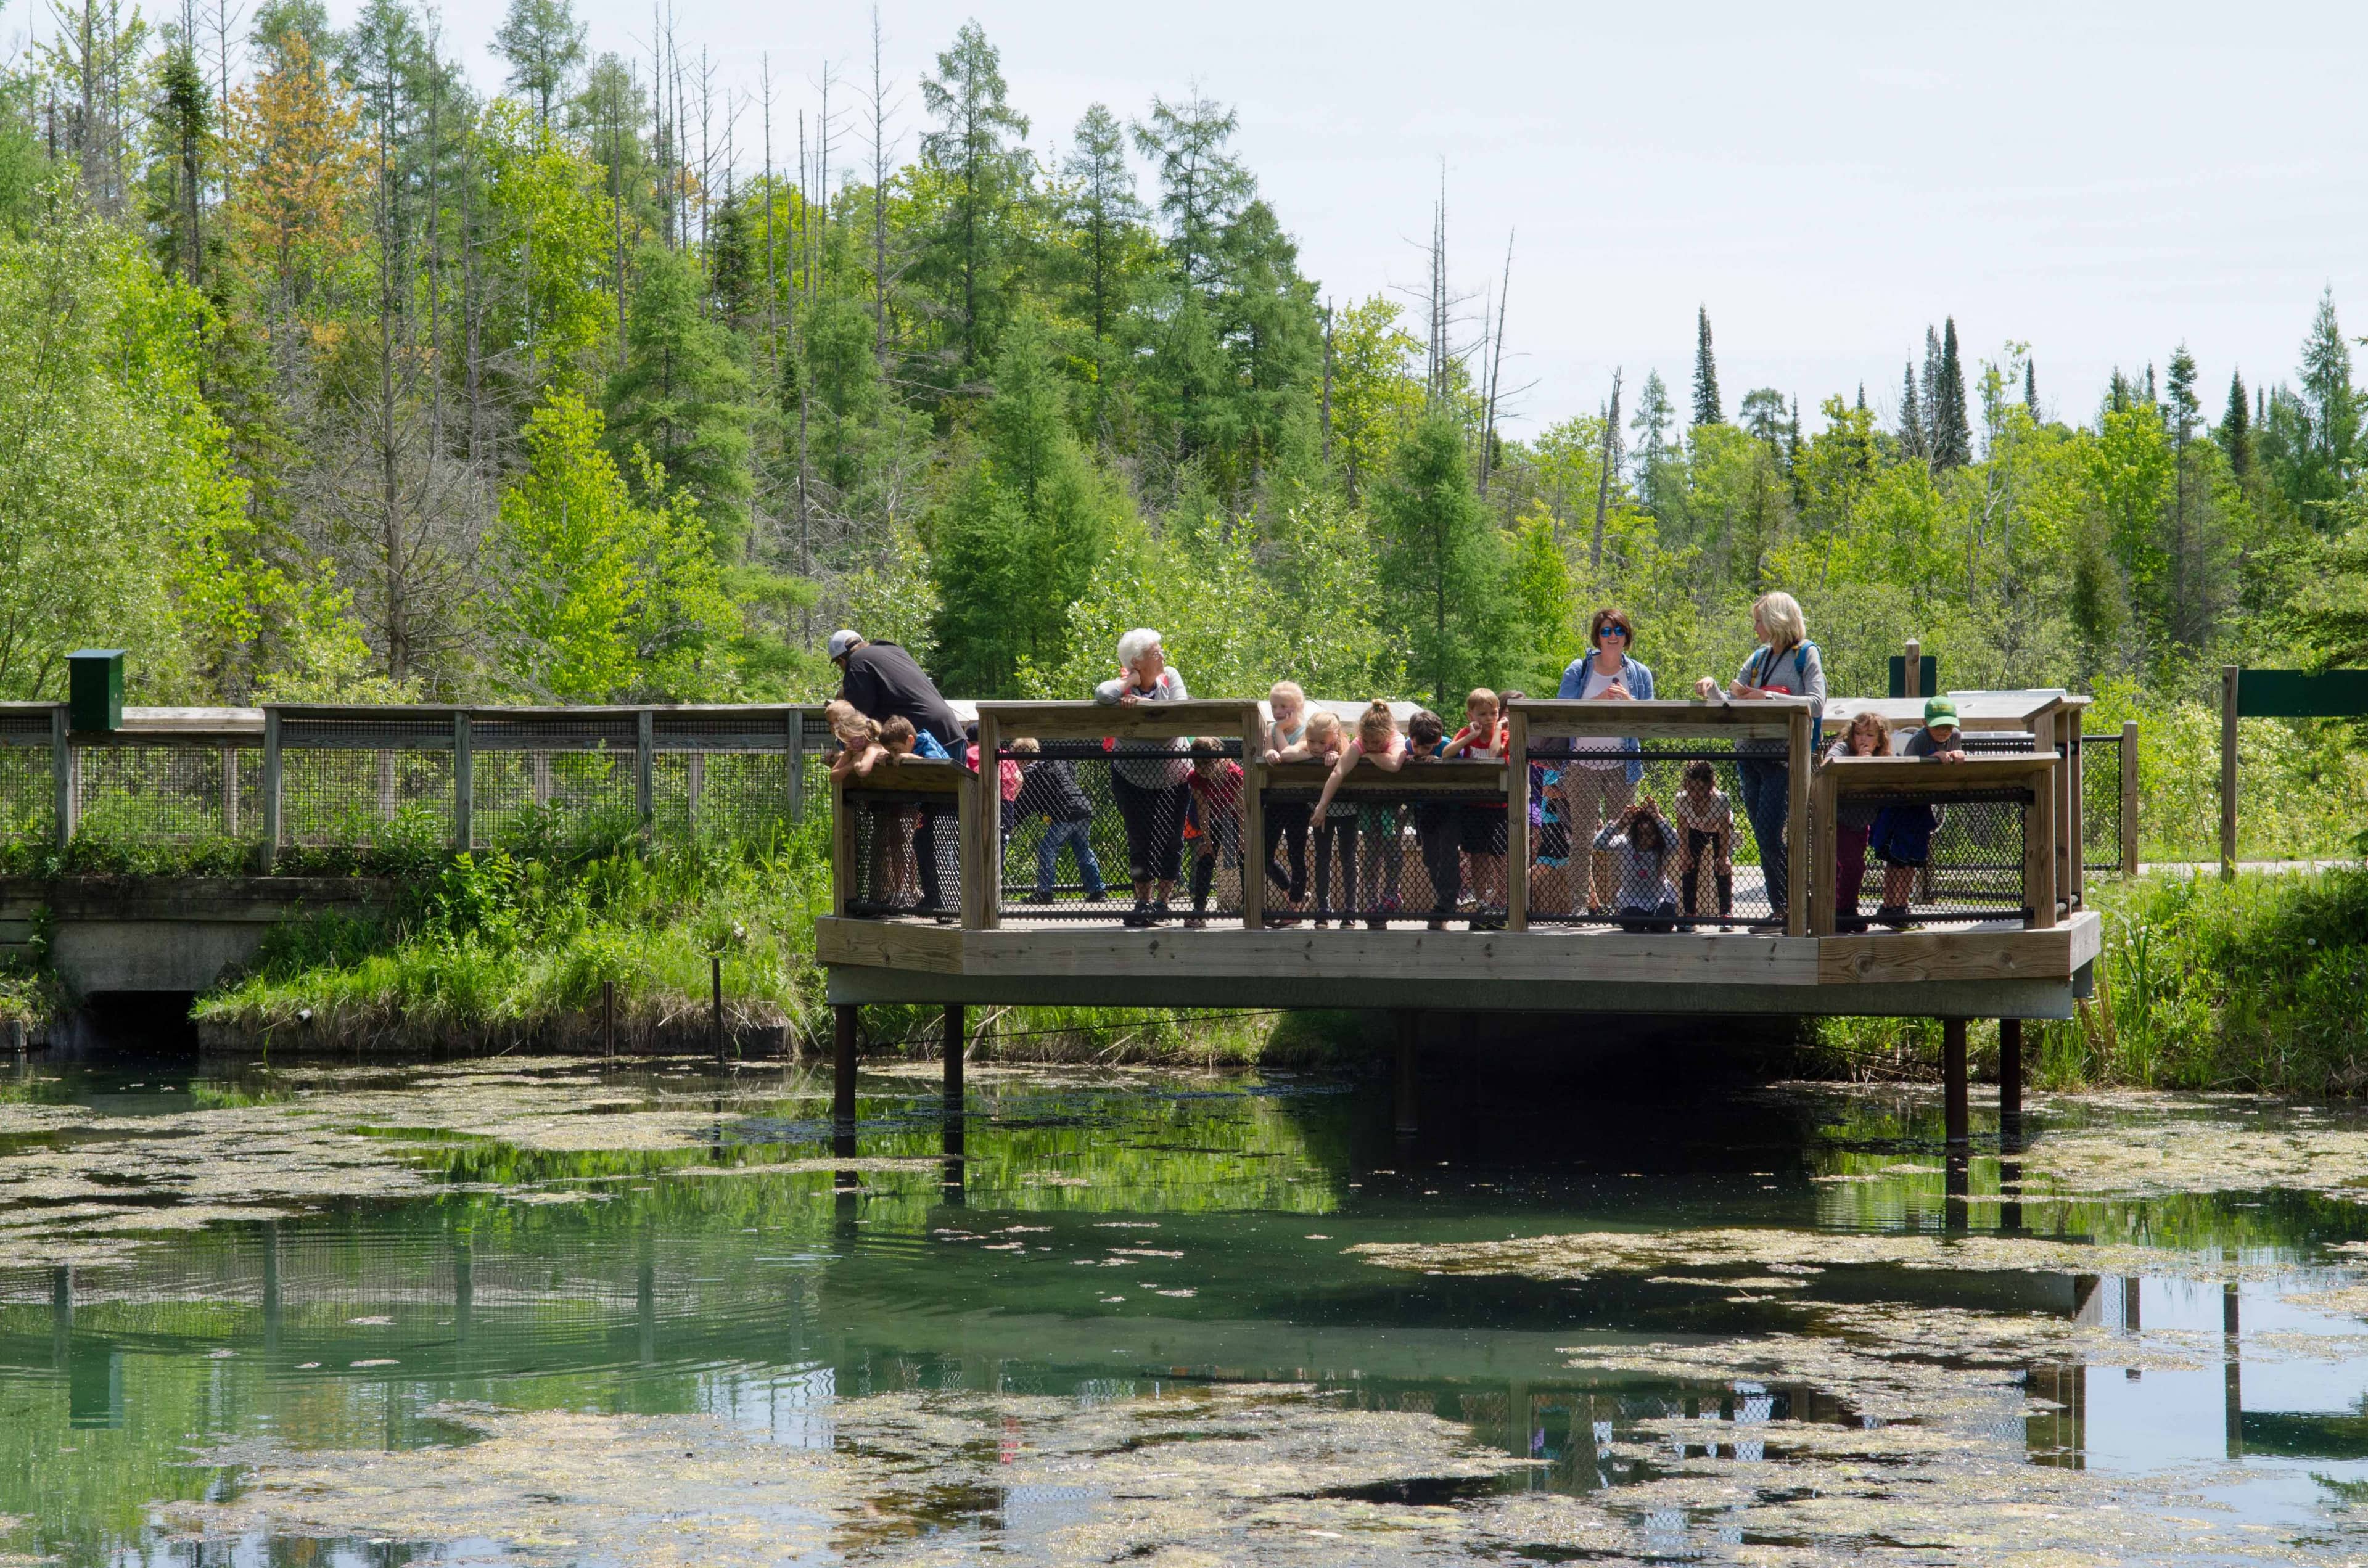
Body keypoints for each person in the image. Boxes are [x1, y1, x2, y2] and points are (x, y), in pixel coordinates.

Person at [1694, 591, 1824, 921]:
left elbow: (1816, 702)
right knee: (1764, 837)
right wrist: (1711, 689)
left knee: (1769, 834)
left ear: (1776, 620)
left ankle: (1792, 906)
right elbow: (1731, 704)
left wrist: (1767, 698)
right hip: (1748, 759)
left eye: (1758, 621)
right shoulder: (1757, 659)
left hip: (1782, 760)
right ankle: (1783, 908)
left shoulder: (1806, 654)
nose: (1755, 628)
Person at [831, 629, 963, 915]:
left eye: (840, 666)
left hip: (929, 743)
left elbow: (858, 719)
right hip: (952, 735)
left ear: (842, 660)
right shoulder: (891, 650)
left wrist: (846, 750)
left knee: (937, 831)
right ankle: (941, 901)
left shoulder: (858, 664)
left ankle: (947, 904)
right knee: (939, 828)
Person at [1556, 607, 1655, 914]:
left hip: (1624, 765)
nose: (1613, 637)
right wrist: (1598, 701)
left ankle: (1621, 904)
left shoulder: (1640, 673)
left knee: (1622, 839)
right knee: (1582, 839)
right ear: (1597, 637)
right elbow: (1561, 710)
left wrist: (1630, 703)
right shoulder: (1579, 669)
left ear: (1627, 636)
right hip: (1582, 764)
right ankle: (1579, 906)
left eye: (1619, 631)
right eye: (1606, 631)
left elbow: (1652, 720)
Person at [1093, 628, 1191, 927]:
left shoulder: (1170, 675)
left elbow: (1180, 709)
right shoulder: (1122, 686)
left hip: (1175, 776)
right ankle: (1143, 904)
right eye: (1154, 653)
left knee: (1172, 840)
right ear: (1136, 662)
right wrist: (1129, 683)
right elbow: (1102, 695)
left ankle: (1163, 905)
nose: (1162, 655)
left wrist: (1142, 707)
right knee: (1140, 840)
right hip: (1130, 777)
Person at [1869, 697, 1968, 926]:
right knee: (1896, 859)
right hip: (1902, 806)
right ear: (1925, 723)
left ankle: (1902, 906)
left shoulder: (1955, 737)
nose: (1944, 732)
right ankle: (1890, 907)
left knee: (1913, 860)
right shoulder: (1919, 739)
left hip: (1922, 806)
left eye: (1948, 726)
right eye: (1938, 726)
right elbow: (1907, 769)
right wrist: (1931, 759)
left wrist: (1958, 756)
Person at [1312, 701, 1410, 929]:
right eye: (1367, 742)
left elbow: (1394, 764)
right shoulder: (1360, 742)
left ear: (1387, 734)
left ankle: (1391, 893)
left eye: (1377, 742)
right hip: (1369, 806)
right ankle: (1372, 904)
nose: (1372, 746)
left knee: (1393, 851)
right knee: (1372, 853)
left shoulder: (1396, 738)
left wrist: (1369, 758)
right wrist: (1322, 805)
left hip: (1393, 807)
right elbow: (1339, 771)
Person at [1011, 736, 1106, 905]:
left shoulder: (1032, 773)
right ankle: (1097, 890)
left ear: (1021, 758)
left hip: (1065, 814)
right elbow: (1071, 772)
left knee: (1047, 849)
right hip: (1083, 808)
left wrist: (1011, 824)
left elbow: (1027, 804)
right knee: (1083, 850)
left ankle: (1045, 892)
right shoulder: (1056, 762)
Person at [1445, 689, 1509, 928]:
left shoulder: (1504, 734)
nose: (1489, 718)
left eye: (1494, 713)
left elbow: (1494, 753)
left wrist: (1498, 729)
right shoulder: (1467, 733)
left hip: (1498, 806)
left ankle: (1503, 905)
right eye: (1482, 714)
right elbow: (1447, 753)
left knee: (1501, 856)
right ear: (1470, 715)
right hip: (1473, 805)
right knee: (1478, 856)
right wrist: (1469, 737)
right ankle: (1483, 905)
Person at [1824, 710, 1892, 930]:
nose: (1863, 739)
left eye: (1870, 735)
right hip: (1838, 818)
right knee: (1853, 865)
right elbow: (1827, 763)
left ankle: (1843, 911)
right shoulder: (1843, 748)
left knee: (1849, 866)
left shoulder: (1883, 757)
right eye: (1859, 734)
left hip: (1863, 821)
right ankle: (1845, 912)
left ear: (1880, 740)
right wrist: (1857, 763)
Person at [1403, 710, 1460, 929]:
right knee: (1430, 858)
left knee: (1448, 855)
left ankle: (1446, 904)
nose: (1419, 751)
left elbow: (1462, 767)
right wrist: (1406, 760)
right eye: (1417, 746)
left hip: (1448, 808)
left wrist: (1440, 761)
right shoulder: (1407, 746)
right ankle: (1445, 899)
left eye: (1426, 748)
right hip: (1424, 808)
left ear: (1436, 742)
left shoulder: (1447, 745)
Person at [1260, 681, 1313, 922]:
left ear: (1298, 706)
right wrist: (1268, 751)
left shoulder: (1307, 731)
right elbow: (1270, 751)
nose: (1278, 711)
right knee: (1264, 856)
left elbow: (1288, 755)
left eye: (1284, 706)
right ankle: (1293, 892)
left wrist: (1280, 732)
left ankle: (1295, 908)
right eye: (1274, 706)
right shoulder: (1270, 728)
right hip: (1275, 799)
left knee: (1296, 855)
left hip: (1299, 801)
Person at [1300, 711, 1357, 925]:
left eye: (1322, 742)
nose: (1315, 747)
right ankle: (1323, 907)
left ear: (1334, 736)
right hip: (1321, 813)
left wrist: (1337, 755)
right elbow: (1290, 754)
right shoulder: (1308, 749)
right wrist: (1309, 755)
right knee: (1323, 857)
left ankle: (1351, 908)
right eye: (1311, 741)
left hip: (1347, 810)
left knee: (1348, 858)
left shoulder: (1347, 747)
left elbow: (1349, 758)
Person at [1183, 739, 1246, 929]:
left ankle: (1249, 906)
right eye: (1198, 764)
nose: (1203, 769)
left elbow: (1242, 809)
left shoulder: (1235, 774)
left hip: (1236, 818)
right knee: (1205, 859)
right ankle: (1199, 912)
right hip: (1214, 819)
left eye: (1207, 763)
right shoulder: (1196, 778)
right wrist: (1207, 840)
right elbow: (1203, 809)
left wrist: (1242, 838)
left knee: (1244, 858)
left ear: (1220, 760)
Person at [1593, 797, 1680, 931]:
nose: (1645, 839)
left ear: (1657, 834)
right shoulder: (1626, 843)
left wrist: (1658, 817)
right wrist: (1620, 823)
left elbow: (1676, 843)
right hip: (1632, 899)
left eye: (1650, 834)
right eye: (1641, 834)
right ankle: (1631, 917)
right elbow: (1598, 844)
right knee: (1633, 925)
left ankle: (1655, 920)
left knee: (1663, 925)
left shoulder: (1663, 847)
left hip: (1660, 897)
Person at [1672, 760, 1734, 924]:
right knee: (1689, 866)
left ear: (1710, 786)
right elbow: (1682, 829)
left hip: (1719, 829)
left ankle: (1726, 913)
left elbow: (1725, 830)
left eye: (1700, 789)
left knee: (1722, 868)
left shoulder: (1720, 800)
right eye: (1691, 789)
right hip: (1695, 829)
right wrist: (1685, 854)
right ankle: (1690, 913)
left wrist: (1723, 857)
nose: (1695, 794)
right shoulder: (1682, 800)